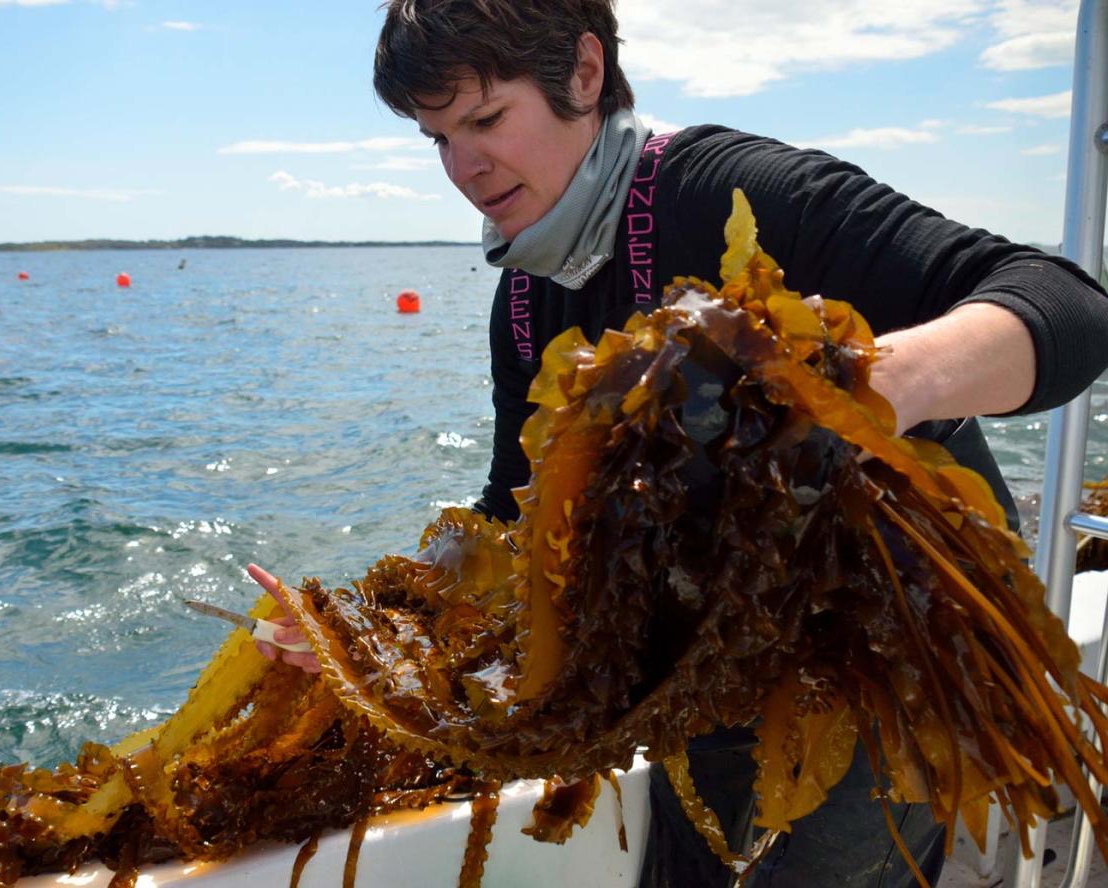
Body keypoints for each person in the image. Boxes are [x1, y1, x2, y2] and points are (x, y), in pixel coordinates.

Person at [249, 1, 1108, 885]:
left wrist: (879, 383)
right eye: (437, 139)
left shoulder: (739, 191)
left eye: (485, 120)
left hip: (893, 666)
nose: (463, 168)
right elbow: (516, 514)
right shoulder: (528, 299)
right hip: (706, 675)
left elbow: (1067, 303)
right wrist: (369, 633)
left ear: (584, 74)